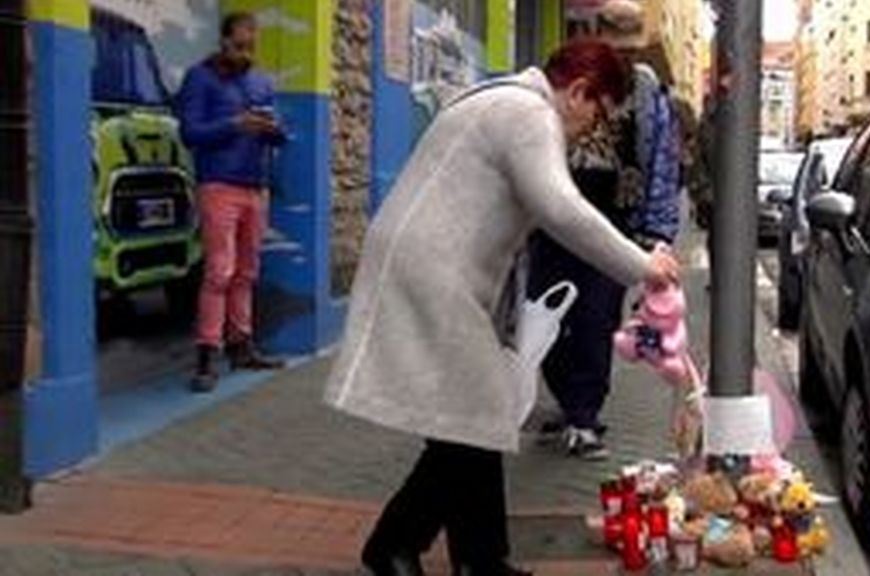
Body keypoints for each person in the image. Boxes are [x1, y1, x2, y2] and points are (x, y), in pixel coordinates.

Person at [323, 40, 680, 576]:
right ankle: (398, 545)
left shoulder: (501, 100)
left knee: (472, 418)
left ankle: (477, 558)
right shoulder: (529, 113)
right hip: (432, 271)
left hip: (427, 266)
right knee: (476, 414)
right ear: (579, 91)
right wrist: (642, 266)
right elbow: (561, 208)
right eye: (597, 114)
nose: (591, 129)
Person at [528, 59, 682, 460]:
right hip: (552, 219)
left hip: (612, 221)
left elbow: (661, 164)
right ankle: (569, 403)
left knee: (595, 319)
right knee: (546, 314)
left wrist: (657, 235)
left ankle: (584, 415)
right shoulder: (567, 79)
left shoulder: (645, 90)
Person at [176, 12, 286, 393]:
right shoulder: (200, 78)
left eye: (251, 46)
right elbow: (190, 132)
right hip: (218, 185)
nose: (245, 53)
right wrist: (235, 124)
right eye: (240, 45)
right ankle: (207, 354)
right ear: (223, 41)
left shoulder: (260, 81)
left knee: (247, 272)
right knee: (219, 272)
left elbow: (279, 133)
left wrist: (273, 130)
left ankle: (242, 345)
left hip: (255, 186)